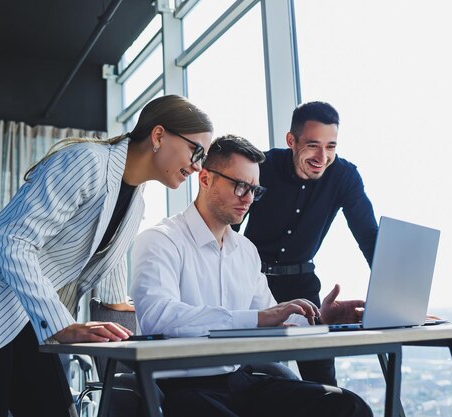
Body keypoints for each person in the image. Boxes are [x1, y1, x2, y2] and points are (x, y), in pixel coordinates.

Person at [0, 94, 213, 417]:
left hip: (23, 316)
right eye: (196, 151)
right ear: (158, 136)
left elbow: (110, 284)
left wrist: (147, 327)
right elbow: (13, 241)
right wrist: (61, 326)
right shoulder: (88, 162)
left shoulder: (135, 203)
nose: (198, 166)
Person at [131, 135, 372, 417]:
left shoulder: (245, 251)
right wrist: (258, 319)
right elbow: (159, 317)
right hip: (177, 389)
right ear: (206, 179)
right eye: (240, 186)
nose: (247, 199)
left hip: (239, 382)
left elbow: (274, 316)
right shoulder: (160, 240)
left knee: (347, 405)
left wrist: (322, 320)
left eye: (254, 190)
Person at [235, 101, 378, 386]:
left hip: (303, 286)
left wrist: (398, 300)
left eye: (331, 147)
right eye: (313, 145)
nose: (322, 156)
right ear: (291, 140)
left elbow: (369, 237)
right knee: (246, 372)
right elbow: (226, 228)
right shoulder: (261, 167)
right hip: (250, 284)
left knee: (322, 377)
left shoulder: (344, 176)